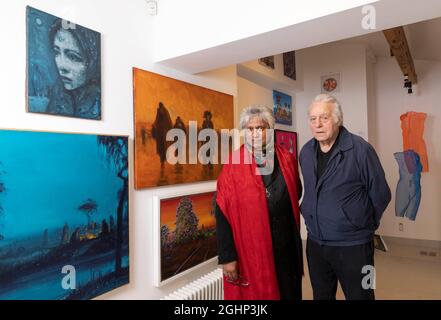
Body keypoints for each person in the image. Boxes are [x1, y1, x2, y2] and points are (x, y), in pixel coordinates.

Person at [299, 94, 391, 300]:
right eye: (313, 119)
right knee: (321, 296)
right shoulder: (305, 152)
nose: (318, 124)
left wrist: (362, 224)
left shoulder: (361, 149)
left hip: (355, 246)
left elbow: (381, 193)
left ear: (338, 119)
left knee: (363, 296)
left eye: (324, 117)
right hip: (316, 244)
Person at [215, 105, 303, 300]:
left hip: (285, 247)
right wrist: (228, 257)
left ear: (270, 130)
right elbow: (221, 212)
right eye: (249, 129)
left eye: (260, 128)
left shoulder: (287, 158)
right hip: (251, 250)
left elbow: (296, 192)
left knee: (288, 291)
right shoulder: (232, 164)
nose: (254, 134)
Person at [46, 19, 101, 119]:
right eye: (56, 52)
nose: (61, 66)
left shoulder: (99, 100)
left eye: (73, 57)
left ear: (93, 61)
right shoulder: (58, 93)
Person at [152, 102, 173, 168]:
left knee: (163, 146)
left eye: (160, 106)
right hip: (161, 132)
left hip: (163, 132)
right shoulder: (161, 111)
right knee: (161, 146)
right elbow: (157, 120)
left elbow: (168, 121)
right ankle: (162, 161)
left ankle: (163, 160)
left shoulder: (164, 111)